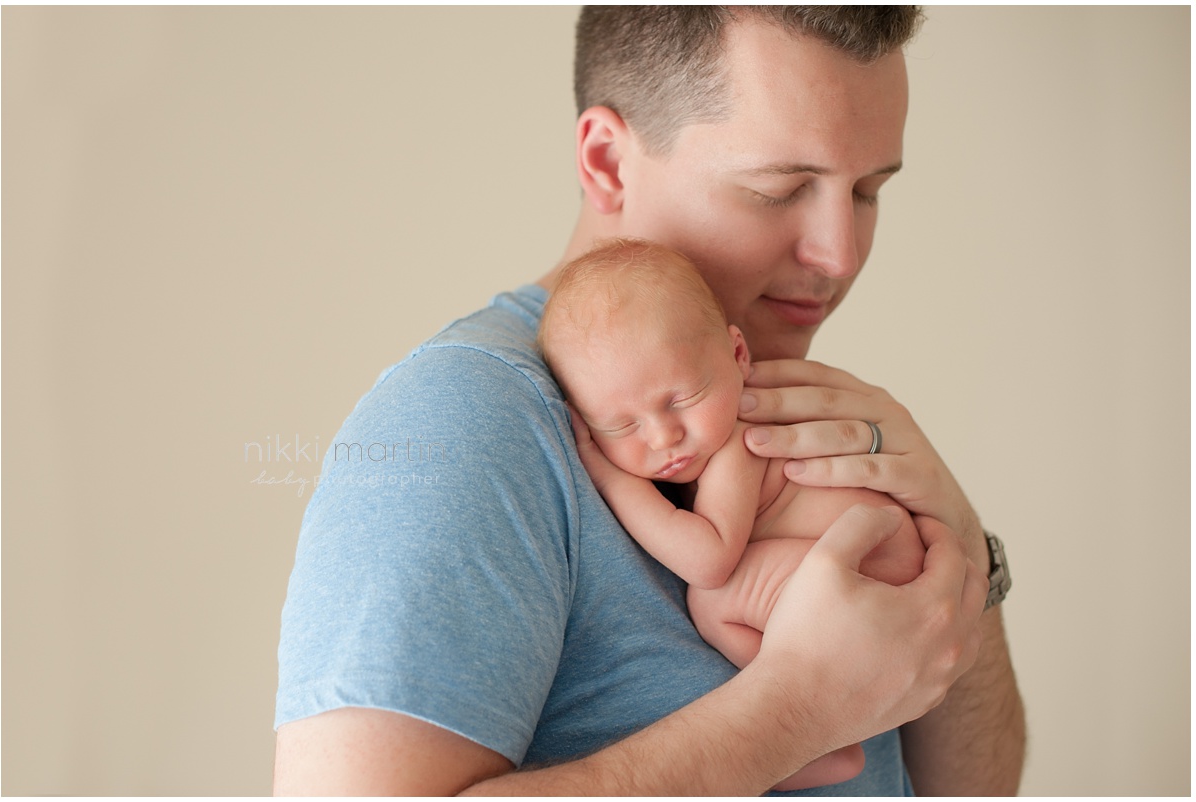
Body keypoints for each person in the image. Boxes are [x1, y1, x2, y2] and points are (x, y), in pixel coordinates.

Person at [273, 7, 1025, 795]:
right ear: (607, 162)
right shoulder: (466, 419)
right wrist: (791, 715)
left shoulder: (790, 408)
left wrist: (965, 553)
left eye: (867, 190)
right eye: (780, 189)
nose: (839, 253)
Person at [538, 238, 929, 790]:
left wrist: (611, 477)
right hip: (869, 565)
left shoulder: (740, 443)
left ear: (738, 355)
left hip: (873, 572)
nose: (664, 436)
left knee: (713, 598)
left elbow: (708, 557)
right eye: (620, 428)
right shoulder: (704, 436)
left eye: (682, 398)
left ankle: (811, 733)